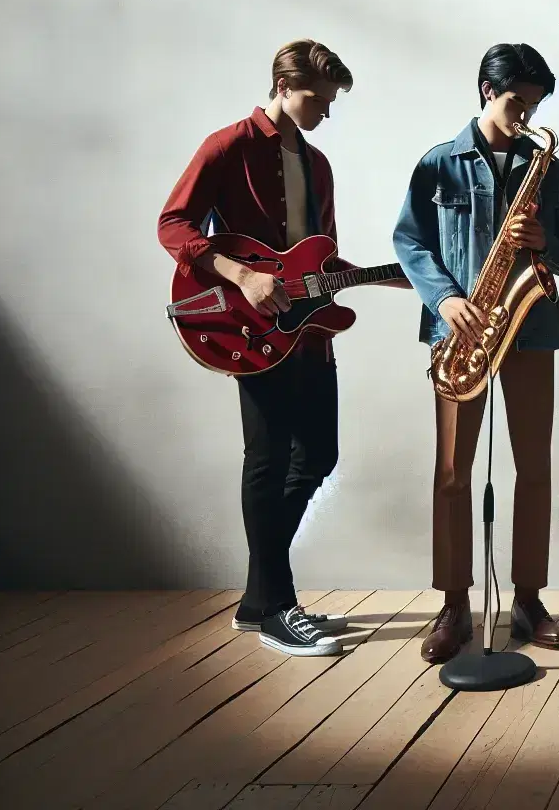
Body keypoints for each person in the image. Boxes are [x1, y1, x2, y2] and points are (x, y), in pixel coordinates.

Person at [159, 39, 411, 656]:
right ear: (281, 84)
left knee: (319, 455)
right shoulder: (229, 146)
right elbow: (173, 224)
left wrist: (390, 274)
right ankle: (279, 604)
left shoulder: (318, 164)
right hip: (251, 330)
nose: (324, 111)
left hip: (309, 335)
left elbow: (315, 256)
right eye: (316, 99)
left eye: (329, 102)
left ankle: (257, 595)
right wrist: (241, 274)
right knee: (268, 461)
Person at [393, 43, 559, 664]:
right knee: (453, 473)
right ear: (485, 90)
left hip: (528, 327)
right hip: (461, 333)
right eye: (515, 102)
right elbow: (408, 240)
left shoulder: (550, 169)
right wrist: (446, 299)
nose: (525, 115)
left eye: (534, 105)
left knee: (534, 467)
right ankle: (454, 607)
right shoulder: (439, 162)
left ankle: (528, 601)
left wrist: (545, 242)